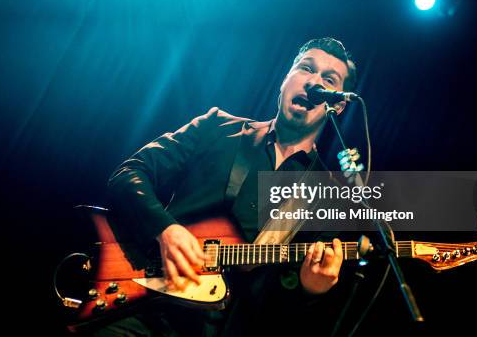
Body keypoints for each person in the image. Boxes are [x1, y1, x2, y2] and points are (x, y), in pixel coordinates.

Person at [102, 37, 358, 336]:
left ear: (338, 105)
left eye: (328, 79)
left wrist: (310, 291)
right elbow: (129, 173)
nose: (313, 82)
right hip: (142, 312)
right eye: (305, 69)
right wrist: (165, 229)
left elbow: (282, 314)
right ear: (285, 79)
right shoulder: (216, 127)